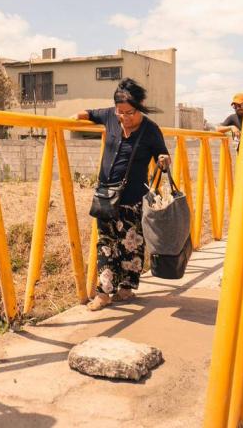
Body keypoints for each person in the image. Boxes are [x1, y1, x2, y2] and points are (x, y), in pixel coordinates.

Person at [72, 78, 170, 311]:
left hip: (134, 199)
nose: (125, 118)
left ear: (140, 106)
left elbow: (162, 157)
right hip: (107, 197)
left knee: (131, 245)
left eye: (130, 113)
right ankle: (103, 294)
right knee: (105, 244)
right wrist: (78, 117)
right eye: (121, 112)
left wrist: (164, 161)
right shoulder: (109, 116)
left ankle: (126, 289)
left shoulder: (150, 129)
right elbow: (86, 114)